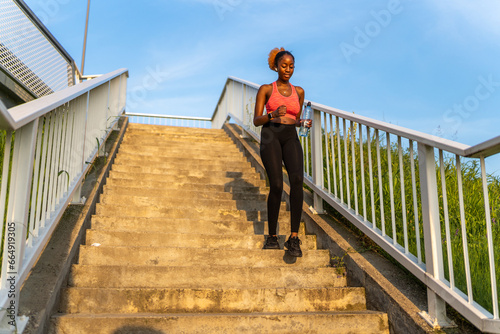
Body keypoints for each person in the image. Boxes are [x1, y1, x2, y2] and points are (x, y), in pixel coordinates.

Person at [253, 47, 311, 257]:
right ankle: (272, 236)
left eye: (291, 66)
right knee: (277, 184)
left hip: (290, 136)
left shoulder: (300, 92)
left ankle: (294, 238)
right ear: (276, 67)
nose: (287, 69)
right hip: (271, 135)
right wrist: (273, 114)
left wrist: (302, 122)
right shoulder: (266, 89)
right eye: (284, 65)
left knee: (297, 181)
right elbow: (257, 120)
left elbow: (294, 119)